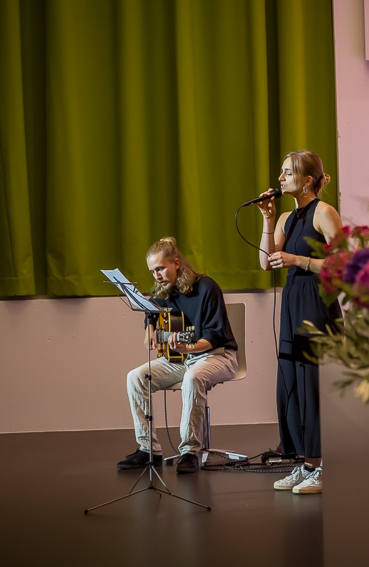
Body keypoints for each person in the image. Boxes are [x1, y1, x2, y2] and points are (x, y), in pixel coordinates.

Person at [255, 150, 343, 494]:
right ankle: (304, 462)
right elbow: (266, 263)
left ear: (307, 180)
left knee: (313, 384)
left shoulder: (325, 212)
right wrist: (267, 219)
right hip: (293, 301)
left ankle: (321, 466)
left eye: (287, 173)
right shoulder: (285, 219)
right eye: (281, 172)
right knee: (290, 383)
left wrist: (299, 260)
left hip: (316, 303)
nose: (280, 178)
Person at [119, 237, 239, 474]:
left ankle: (190, 452)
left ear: (176, 263)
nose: (157, 276)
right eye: (152, 271)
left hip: (217, 356)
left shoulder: (207, 288)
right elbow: (151, 311)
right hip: (181, 359)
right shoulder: (165, 289)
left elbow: (215, 335)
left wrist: (188, 349)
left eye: (160, 269)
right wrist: (149, 328)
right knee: (135, 377)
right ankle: (148, 449)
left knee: (193, 377)